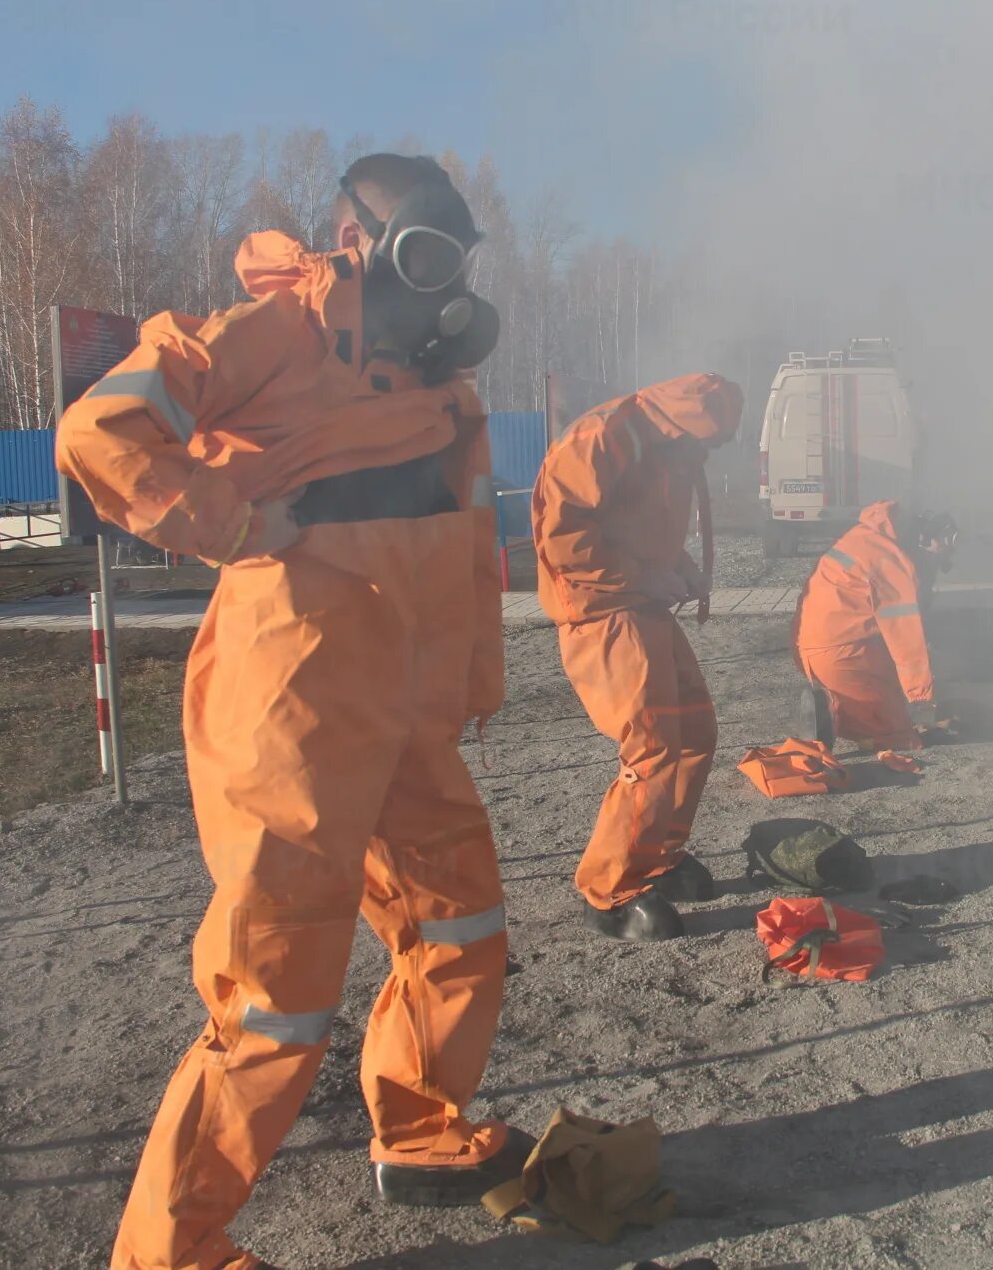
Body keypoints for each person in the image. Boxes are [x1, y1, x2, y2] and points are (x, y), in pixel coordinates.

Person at [58, 153, 526, 1270]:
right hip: (293, 706)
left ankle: (419, 1130)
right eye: (423, 243)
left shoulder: (442, 387)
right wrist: (223, 517)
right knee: (274, 989)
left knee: (460, 921)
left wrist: (469, 683)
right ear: (354, 238)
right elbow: (100, 429)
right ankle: (168, 1252)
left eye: (455, 250)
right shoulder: (271, 334)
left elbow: (468, 545)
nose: (440, 271)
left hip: (406, 712)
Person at [531, 373, 743, 941]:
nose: (708, 455)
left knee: (695, 731)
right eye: (706, 445)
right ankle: (609, 892)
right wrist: (644, 575)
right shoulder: (601, 440)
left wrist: (680, 564)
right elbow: (564, 542)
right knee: (651, 747)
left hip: (641, 603)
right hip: (601, 611)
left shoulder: (670, 443)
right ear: (683, 429)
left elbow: (639, 523)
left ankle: (658, 858)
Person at [794, 501, 952, 751]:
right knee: (899, 733)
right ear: (923, 537)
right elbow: (905, 636)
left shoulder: (866, 537)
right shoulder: (890, 560)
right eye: (942, 544)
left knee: (881, 700)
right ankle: (834, 719)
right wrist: (921, 700)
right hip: (845, 657)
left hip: (814, 653)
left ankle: (831, 706)